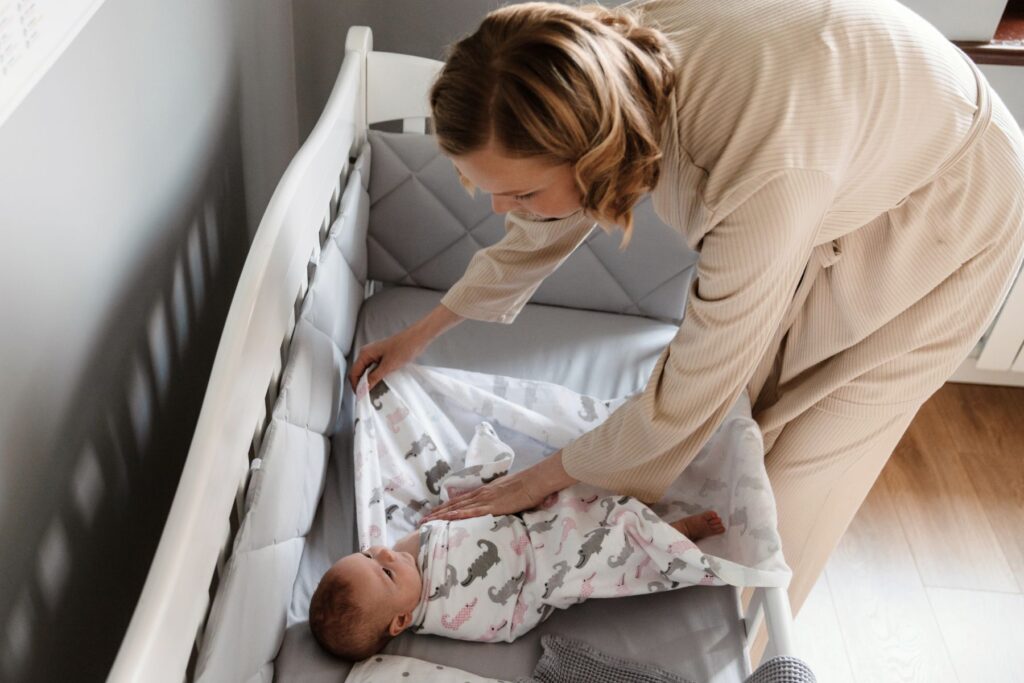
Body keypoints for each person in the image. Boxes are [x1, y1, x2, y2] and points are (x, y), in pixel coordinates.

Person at [346, 0, 1024, 649]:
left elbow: (692, 385)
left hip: (952, 205)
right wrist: (423, 331)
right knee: (742, 421)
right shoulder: (607, 66)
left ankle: (754, 655)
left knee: (799, 468)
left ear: (591, 153)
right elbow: (539, 223)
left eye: (518, 191)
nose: (500, 208)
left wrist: (545, 476)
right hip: (845, 138)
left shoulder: (756, 167)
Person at [308, 487, 725, 661]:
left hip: (524, 526)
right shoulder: (444, 614)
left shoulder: (407, 554)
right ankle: (676, 538)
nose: (383, 550)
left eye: (367, 552)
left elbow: (451, 524)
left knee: (581, 498)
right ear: (400, 620)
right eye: (384, 571)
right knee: (604, 558)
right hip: (539, 572)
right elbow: (505, 621)